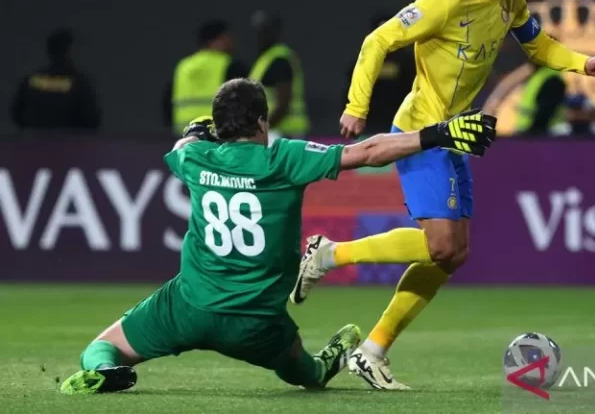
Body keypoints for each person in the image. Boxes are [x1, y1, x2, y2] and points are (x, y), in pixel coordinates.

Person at [290, 0, 595, 390]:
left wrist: (582, 63)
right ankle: (328, 254)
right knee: (440, 245)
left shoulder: (510, 0)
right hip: (422, 131)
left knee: (452, 255)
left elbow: (538, 45)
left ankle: (373, 351)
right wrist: (356, 107)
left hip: (458, 134)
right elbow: (378, 41)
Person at [59, 78, 497, 395]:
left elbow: (181, 147)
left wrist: (196, 132)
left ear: (218, 125)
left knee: (101, 347)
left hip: (187, 307)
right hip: (258, 323)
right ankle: (330, 359)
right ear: (263, 120)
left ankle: (107, 372)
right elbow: (368, 152)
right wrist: (438, 134)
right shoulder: (282, 159)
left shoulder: (194, 158)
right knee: (305, 374)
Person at [167, 20, 249, 134]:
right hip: (217, 133)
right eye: (227, 38)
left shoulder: (183, 66)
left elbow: (168, 100)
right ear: (215, 40)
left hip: (184, 133)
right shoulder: (229, 65)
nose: (232, 42)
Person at [11, 28, 101, 130]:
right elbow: (91, 119)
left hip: (36, 141)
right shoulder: (79, 83)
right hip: (70, 142)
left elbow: (17, 114)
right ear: (69, 52)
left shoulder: (33, 80)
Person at [249, 10, 309, 139]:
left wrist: (260, 130)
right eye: (260, 30)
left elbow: (283, 103)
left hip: (283, 134)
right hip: (275, 132)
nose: (262, 35)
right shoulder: (265, 59)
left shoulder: (279, 60)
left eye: (266, 30)